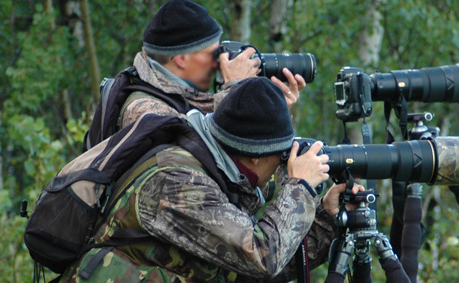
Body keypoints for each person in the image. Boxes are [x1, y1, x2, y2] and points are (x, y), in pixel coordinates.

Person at [60, 77, 360, 282]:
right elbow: (261, 257)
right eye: (281, 156)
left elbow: (244, 271)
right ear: (254, 156)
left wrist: (324, 218)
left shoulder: (214, 168)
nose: (283, 165)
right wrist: (300, 187)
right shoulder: (178, 180)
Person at [118, 0, 306, 129]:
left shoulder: (184, 98)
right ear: (181, 59)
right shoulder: (143, 110)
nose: (220, 62)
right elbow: (202, 149)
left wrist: (271, 110)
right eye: (213, 54)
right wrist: (237, 89)